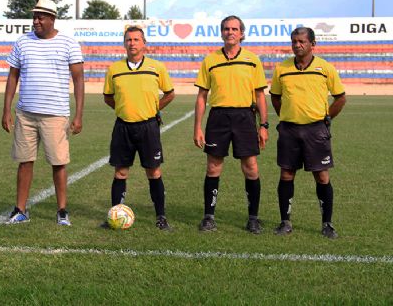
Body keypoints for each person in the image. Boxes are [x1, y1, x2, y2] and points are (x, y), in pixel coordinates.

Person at [2, 0, 84, 226]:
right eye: (34, 17)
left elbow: (78, 80)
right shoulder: (22, 42)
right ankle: (20, 209)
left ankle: (62, 210)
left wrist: (78, 115)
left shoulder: (69, 43)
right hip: (25, 114)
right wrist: (6, 109)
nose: (36, 21)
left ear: (52, 19)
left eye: (40, 17)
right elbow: (12, 77)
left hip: (55, 114)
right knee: (25, 161)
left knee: (58, 163)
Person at [193, 15, 269, 234]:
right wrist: (197, 126)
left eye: (235, 29)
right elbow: (201, 96)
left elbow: (260, 95)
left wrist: (263, 125)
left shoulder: (253, 60)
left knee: (251, 167)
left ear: (242, 33)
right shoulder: (210, 60)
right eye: (226, 29)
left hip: (245, 117)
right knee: (213, 167)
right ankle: (209, 217)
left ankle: (253, 218)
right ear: (221, 32)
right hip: (218, 117)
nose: (230, 32)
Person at [270, 27, 346, 239]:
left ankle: (327, 223)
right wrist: (286, 115)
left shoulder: (325, 68)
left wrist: (327, 118)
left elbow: (340, 98)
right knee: (286, 174)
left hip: (316, 130)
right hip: (289, 129)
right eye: (294, 41)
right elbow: (275, 97)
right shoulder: (281, 68)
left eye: (302, 41)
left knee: (321, 176)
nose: (297, 45)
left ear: (313, 44)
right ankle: (285, 221)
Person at [102, 26, 175, 230]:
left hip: (148, 127)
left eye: (136, 39)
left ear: (144, 44)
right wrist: (124, 109)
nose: (132, 43)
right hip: (123, 127)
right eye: (129, 39)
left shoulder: (156, 67)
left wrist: (153, 109)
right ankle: (115, 215)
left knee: (153, 172)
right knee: (120, 172)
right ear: (124, 43)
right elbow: (108, 97)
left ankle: (161, 217)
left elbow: (169, 93)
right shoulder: (114, 69)